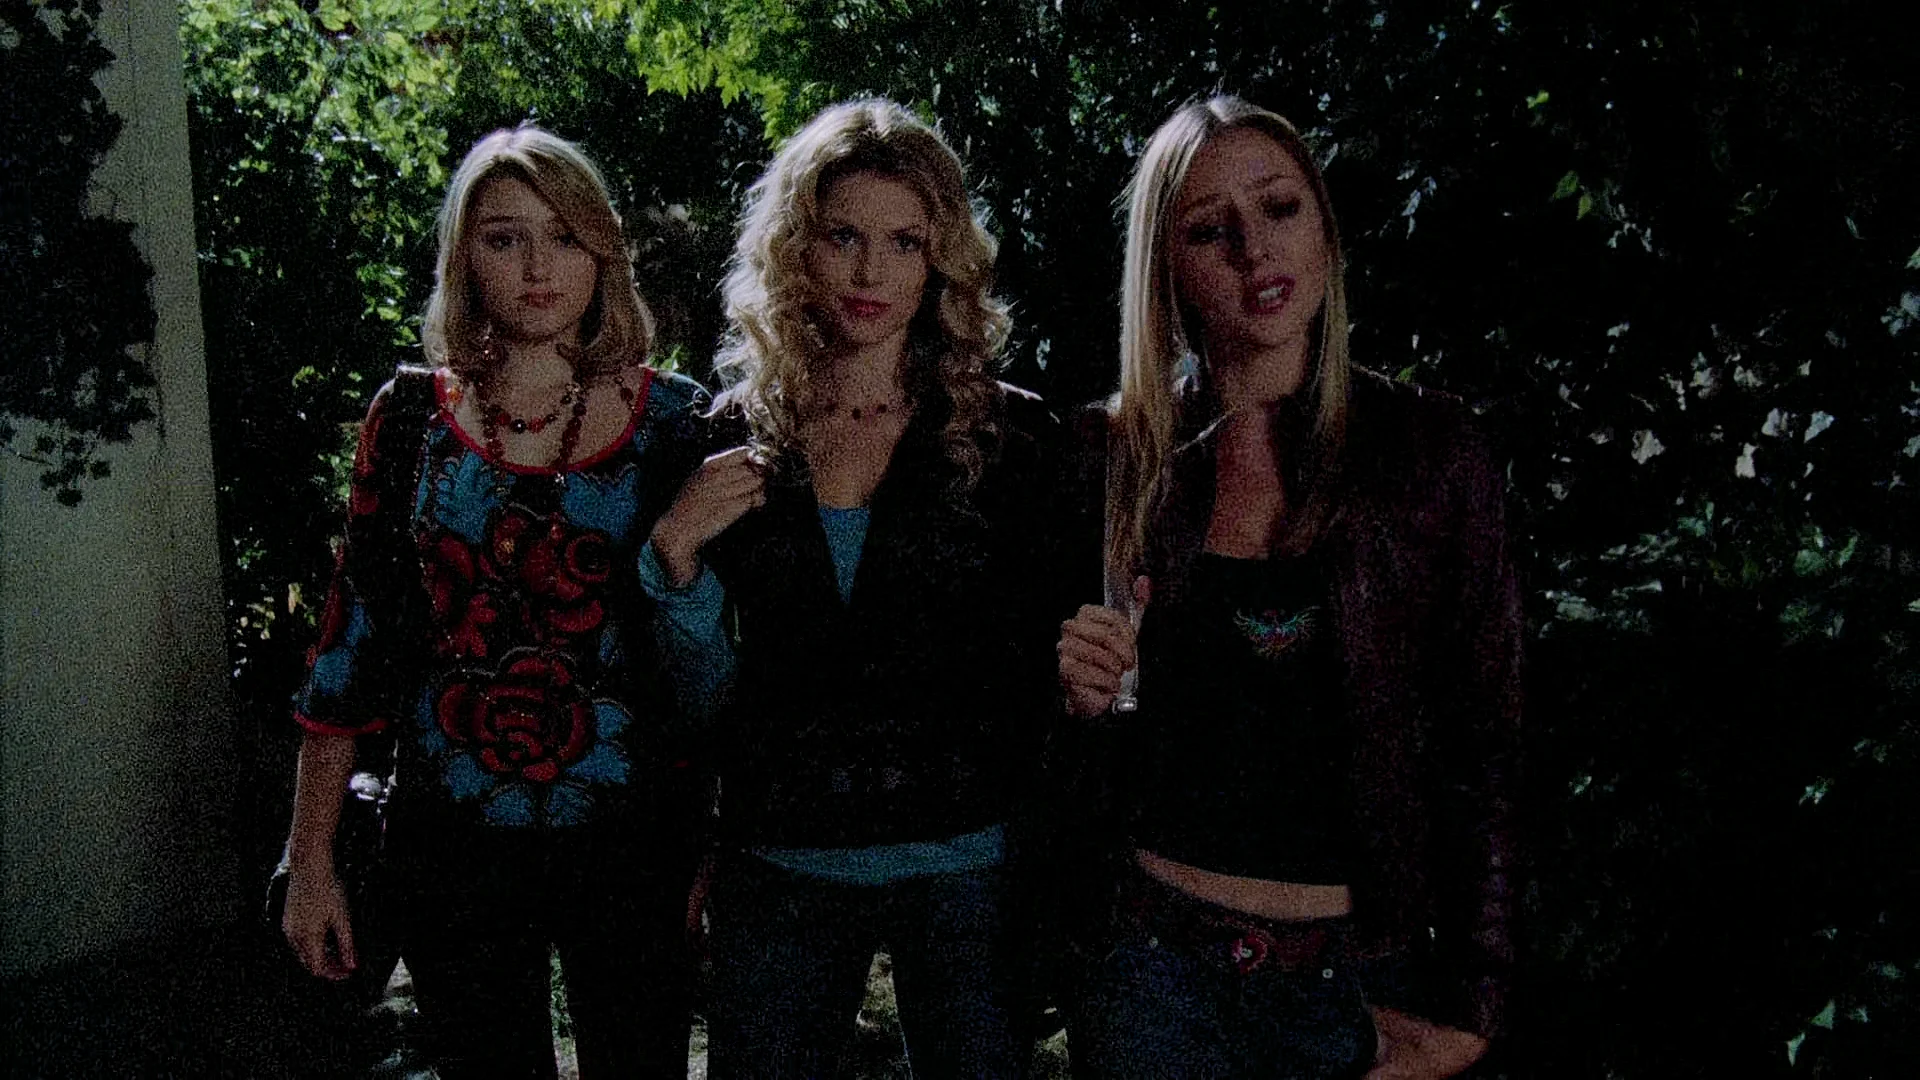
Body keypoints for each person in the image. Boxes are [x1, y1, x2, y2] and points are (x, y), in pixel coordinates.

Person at [1054, 95, 1521, 1079]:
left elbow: (1486, 742)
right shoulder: (1110, 453)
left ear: (1324, 227)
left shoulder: (1433, 454)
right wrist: (1078, 698)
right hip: (1150, 973)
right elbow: (1059, 737)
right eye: (1208, 230)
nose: (1254, 250)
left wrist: (1475, 1001)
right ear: (1165, 268)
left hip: (1357, 980)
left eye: (1279, 208)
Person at [642, 98, 1070, 1079]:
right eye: (843, 236)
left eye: (904, 241)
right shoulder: (729, 438)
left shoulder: (1011, 439)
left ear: (941, 257)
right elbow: (705, 702)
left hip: (968, 865)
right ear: (795, 246)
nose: (871, 273)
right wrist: (674, 555)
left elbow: (1048, 689)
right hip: (782, 863)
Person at [280, 125, 709, 1079]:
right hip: (452, 845)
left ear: (603, 251)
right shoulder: (407, 421)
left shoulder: (681, 423)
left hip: (635, 842)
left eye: (564, 237)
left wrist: (721, 845)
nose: (538, 267)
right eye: (505, 238)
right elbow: (349, 646)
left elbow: (717, 660)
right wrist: (310, 860)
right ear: (464, 256)